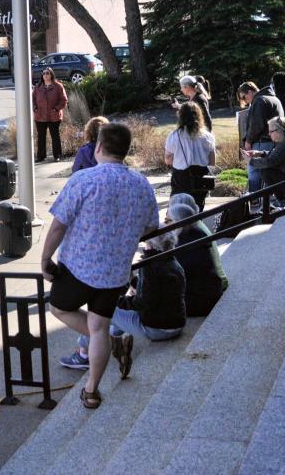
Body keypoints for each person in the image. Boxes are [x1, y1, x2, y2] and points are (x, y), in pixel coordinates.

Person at [41, 123, 159, 409]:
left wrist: (45, 259)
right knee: (98, 325)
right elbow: (149, 227)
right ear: (126, 150)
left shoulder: (83, 180)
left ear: (98, 147)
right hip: (116, 272)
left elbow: (58, 226)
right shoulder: (141, 184)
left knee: (59, 307)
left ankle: (105, 348)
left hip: (79, 268)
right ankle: (91, 390)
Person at [60, 232, 186, 379]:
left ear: (151, 244)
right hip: (176, 323)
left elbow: (141, 303)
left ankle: (83, 354)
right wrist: (133, 283)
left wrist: (116, 301)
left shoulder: (150, 265)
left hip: (158, 328)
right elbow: (154, 291)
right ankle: (112, 337)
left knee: (100, 311)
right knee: (115, 314)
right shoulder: (171, 261)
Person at [167, 203, 229, 316]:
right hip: (213, 293)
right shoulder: (199, 234)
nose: (165, 224)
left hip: (199, 303)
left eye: (168, 221)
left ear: (178, 222)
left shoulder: (181, 245)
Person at [165, 101, 217, 211]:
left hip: (181, 178)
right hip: (201, 177)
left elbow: (168, 160)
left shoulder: (174, 136)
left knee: (178, 211)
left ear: (180, 116)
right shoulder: (208, 136)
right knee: (198, 210)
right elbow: (212, 162)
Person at [238, 81, 284, 193]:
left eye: (244, 97)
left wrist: (248, 141)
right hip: (274, 142)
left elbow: (256, 125)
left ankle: (254, 200)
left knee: (253, 172)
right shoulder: (274, 98)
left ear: (249, 92)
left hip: (261, 142)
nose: (244, 101)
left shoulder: (259, 100)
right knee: (268, 173)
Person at [33, 67, 68, 162]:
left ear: (51, 74)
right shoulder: (38, 87)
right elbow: (32, 99)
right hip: (40, 116)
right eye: (43, 73)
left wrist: (56, 109)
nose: (45, 75)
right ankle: (41, 156)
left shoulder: (58, 86)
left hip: (54, 116)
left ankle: (57, 155)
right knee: (41, 137)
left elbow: (64, 100)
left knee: (55, 136)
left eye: (47, 73)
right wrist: (35, 108)